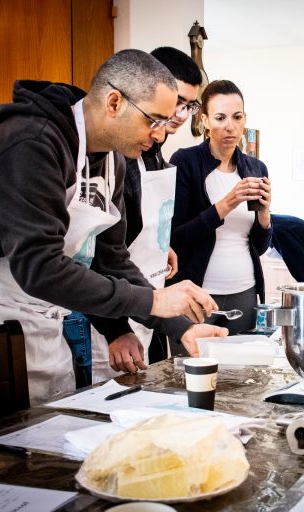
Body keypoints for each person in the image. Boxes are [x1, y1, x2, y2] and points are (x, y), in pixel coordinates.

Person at [0, 49, 219, 405]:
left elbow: (110, 260)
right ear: (114, 102)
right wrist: (152, 299)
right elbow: (38, 266)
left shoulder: (113, 160)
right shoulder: (32, 140)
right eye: (153, 121)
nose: (159, 136)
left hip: (44, 320)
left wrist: (179, 327)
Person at [85, 46, 224, 383]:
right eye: (173, 102)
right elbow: (98, 256)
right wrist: (115, 329)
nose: (176, 116)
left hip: (145, 305)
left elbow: (132, 232)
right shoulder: (116, 155)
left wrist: (160, 246)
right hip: (111, 309)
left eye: (188, 105)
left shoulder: (156, 158)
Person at [168, 80, 272, 335]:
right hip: (197, 292)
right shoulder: (185, 162)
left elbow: (260, 246)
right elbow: (175, 238)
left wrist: (265, 214)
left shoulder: (256, 168)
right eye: (220, 117)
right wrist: (224, 205)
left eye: (237, 117)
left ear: (244, 118)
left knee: (240, 372)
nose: (230, 126)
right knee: (192, 370)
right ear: (204, 120)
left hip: (245, 292)